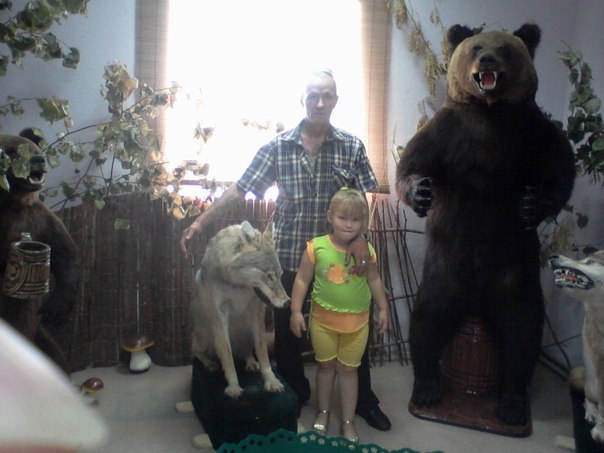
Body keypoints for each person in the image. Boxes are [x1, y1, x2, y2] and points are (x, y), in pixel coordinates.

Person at [180, 68, 391, 431]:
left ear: (336, 101)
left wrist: (360, 238)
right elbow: (241, 187)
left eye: (327, 95)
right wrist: (200, 222)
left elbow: (364, 197)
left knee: (353, 325)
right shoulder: (278, 147)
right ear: (302, 100)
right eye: (313, 95)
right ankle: (296, 393)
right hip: (289, 257)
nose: (320, 102)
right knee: (288, 331)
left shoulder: (352, 146)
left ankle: (364, 400)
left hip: (336, 260)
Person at [289, 188, 389, 443]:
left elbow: (374, 280)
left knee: (348, 371)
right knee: (325, 368)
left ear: (364, 223)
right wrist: (296, 311)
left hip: (357, 325)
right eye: (343, 218)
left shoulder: (367, 251)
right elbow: (302, 280)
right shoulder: (316, 247)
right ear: (330, 216)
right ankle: (323, 412)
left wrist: (384, 308)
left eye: (356, 219)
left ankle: (347, 420)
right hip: (322, 323)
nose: (349, 224)